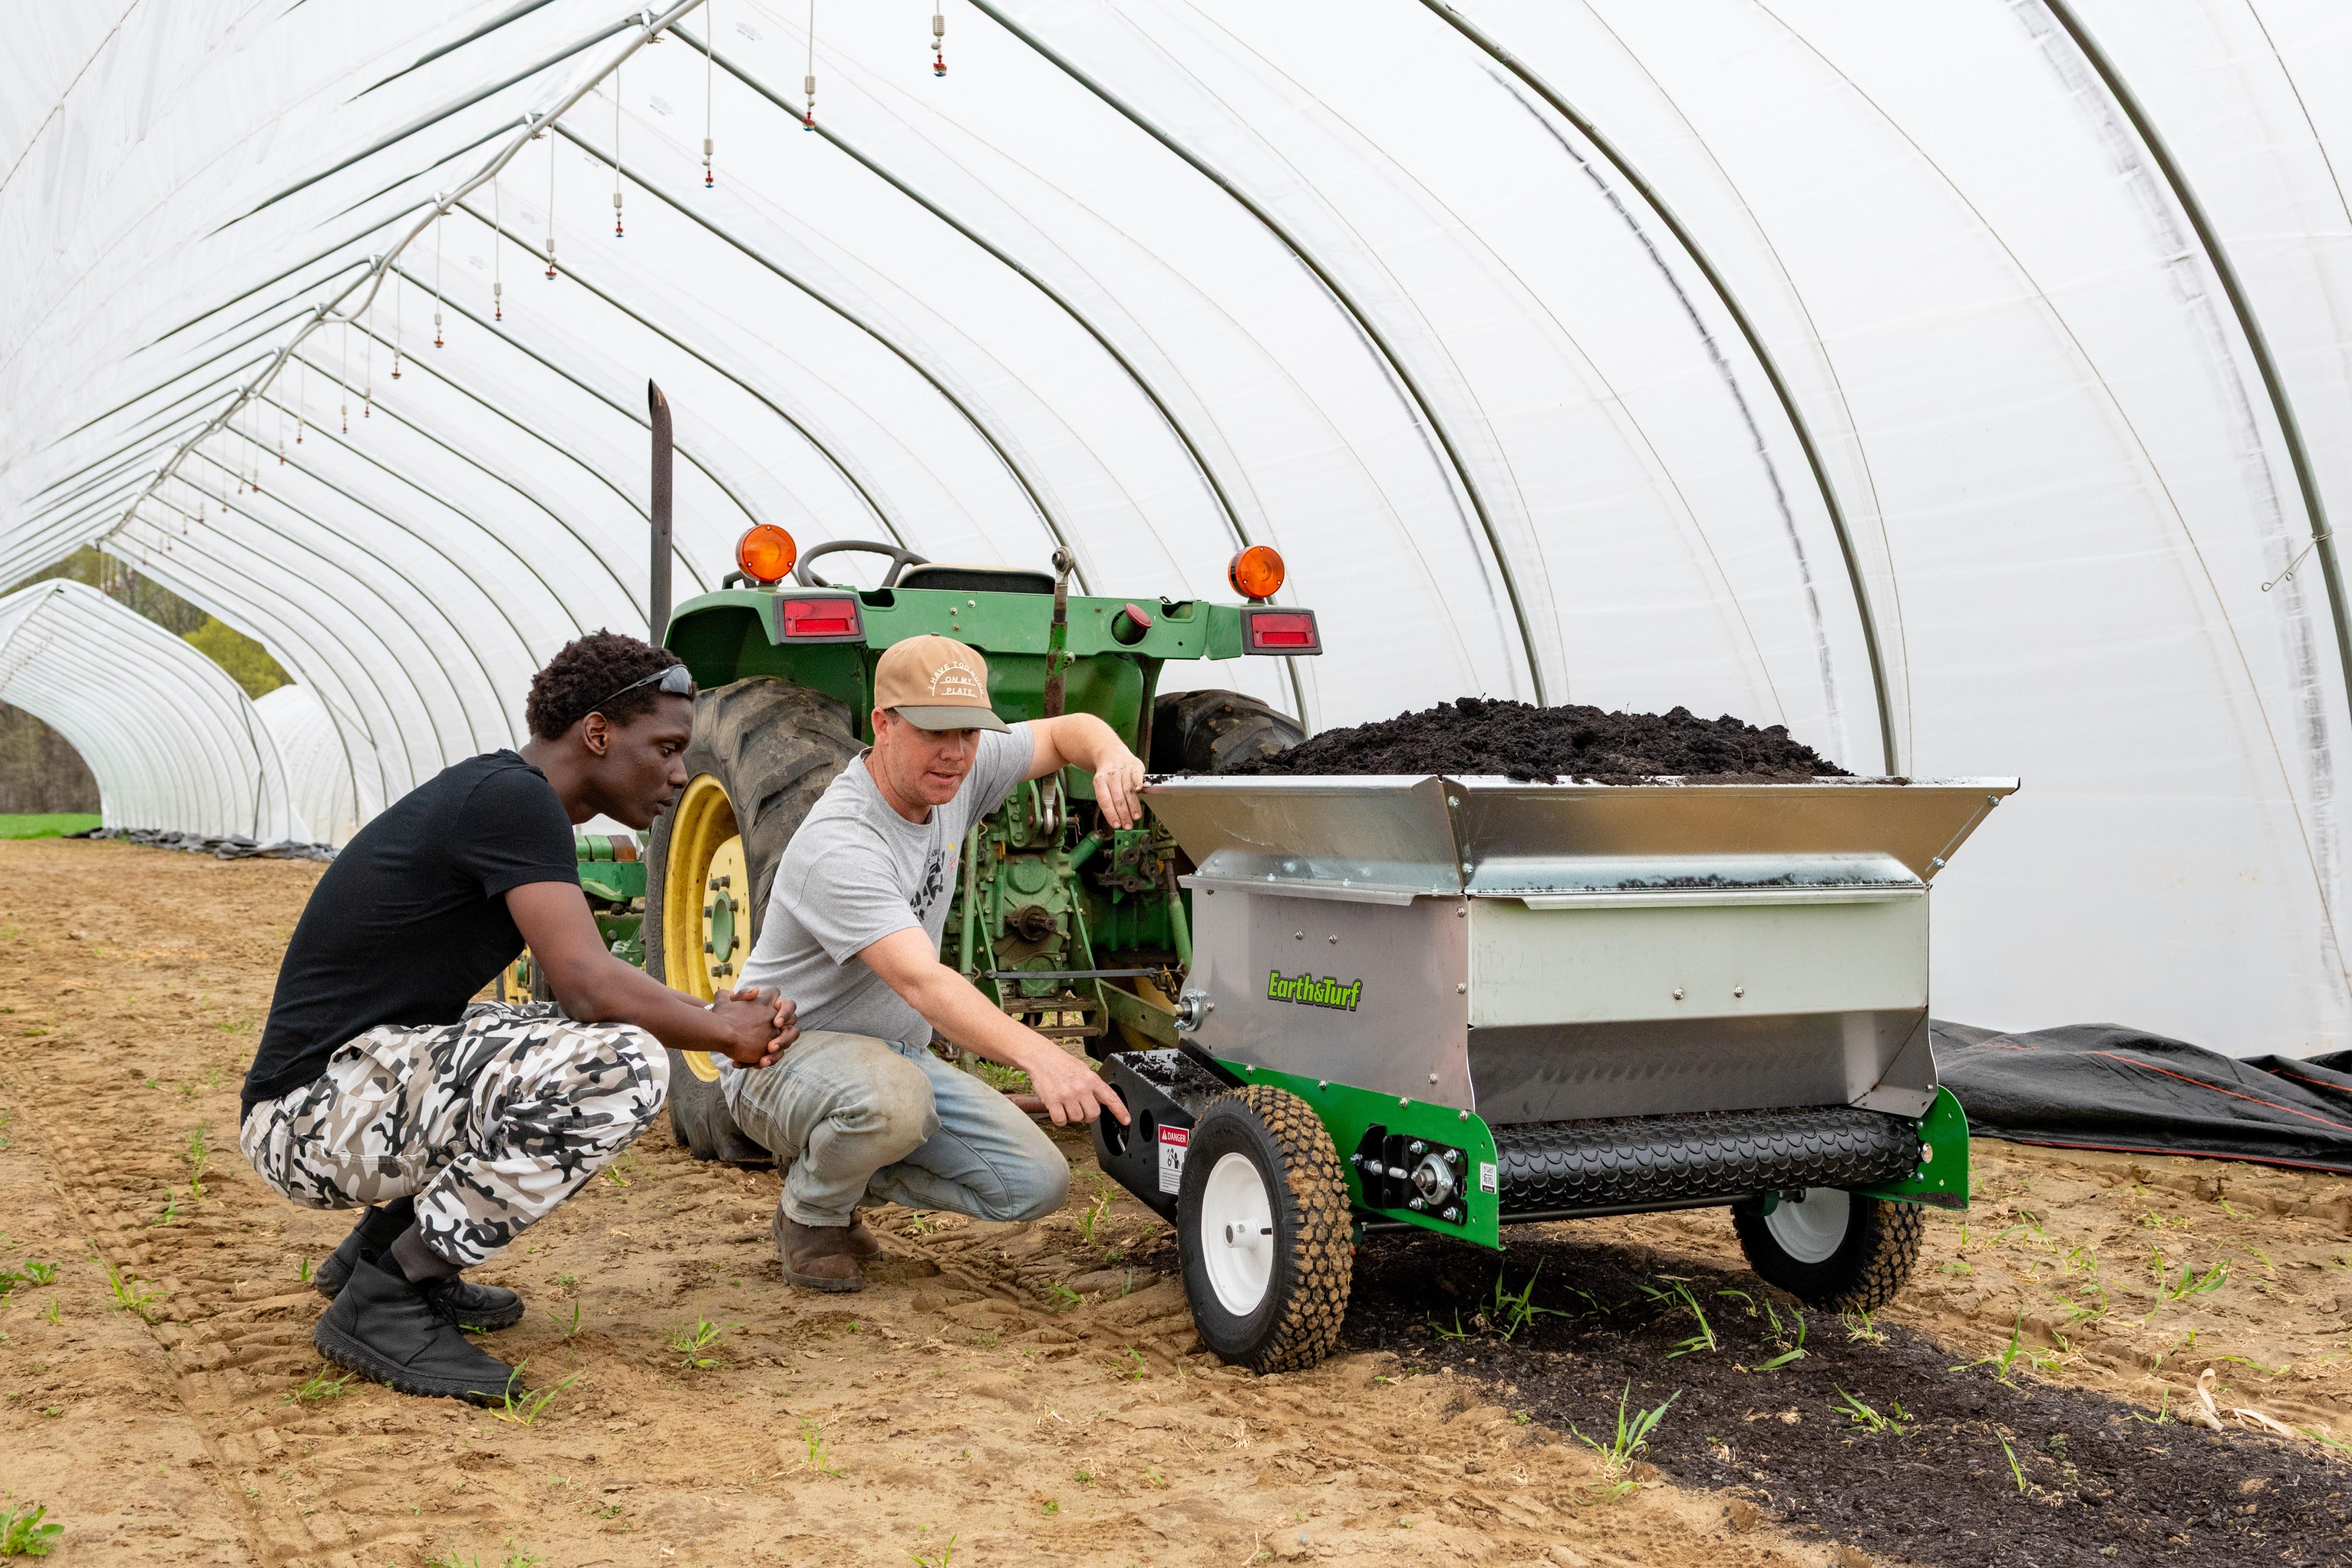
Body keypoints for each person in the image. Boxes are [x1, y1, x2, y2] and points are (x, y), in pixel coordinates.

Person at [238, 631, 797, 1401]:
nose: (678, 773)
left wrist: (709, 1013)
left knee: (554, 1038)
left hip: (339, 1094)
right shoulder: (513, 801)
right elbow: (589, 985)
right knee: (623, 1064)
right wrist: (722, 1029)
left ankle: (376, 1252)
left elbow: (583, 995)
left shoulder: (506, 794)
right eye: (666, 747)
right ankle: (392, 1294)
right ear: (597, 732)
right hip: (305, 1121)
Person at [724, 633, 1140, 1291]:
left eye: (970, 733)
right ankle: (812, 1212)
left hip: (892, 1056)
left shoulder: (957, 767)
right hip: (778, 1059)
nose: (956, 752)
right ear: (883, 725)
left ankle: (846, 1162)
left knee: (1034, 1183)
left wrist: (1112, 755)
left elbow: (1068, 733)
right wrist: (1042, 1054)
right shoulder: (842, 843)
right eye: (936, 732)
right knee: (894, 1099)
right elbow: (922, 981)